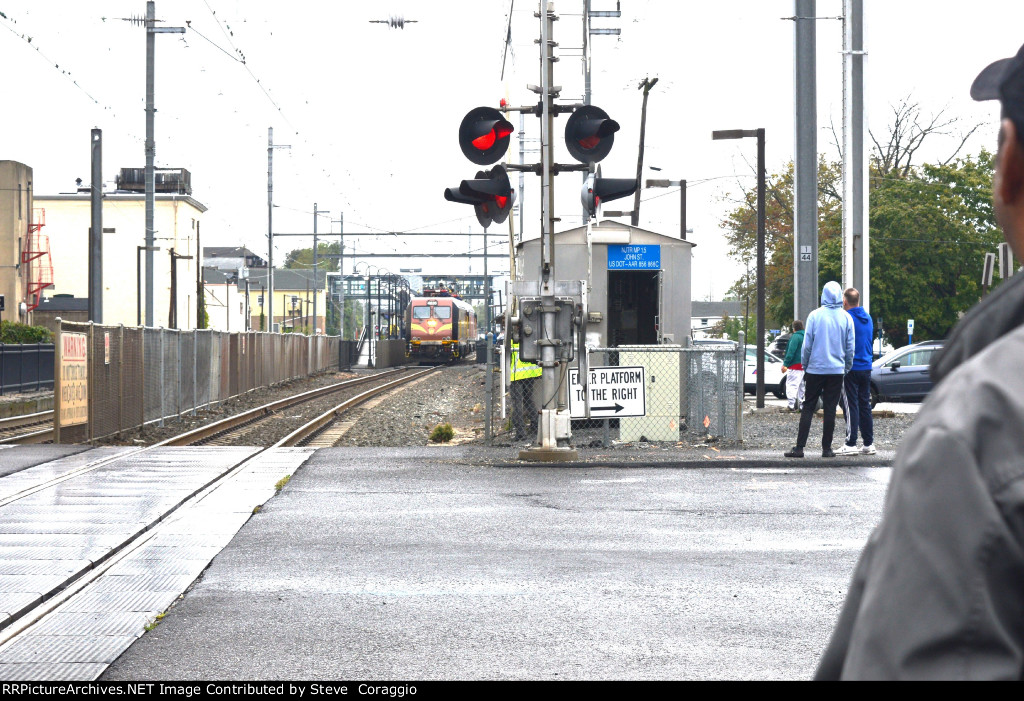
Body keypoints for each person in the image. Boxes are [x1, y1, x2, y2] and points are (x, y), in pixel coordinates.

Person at [815, 42, 1024, 680]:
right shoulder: (857, 320)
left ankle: (838, 443)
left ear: (1010, 161)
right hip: (848, 370)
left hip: (835, 373)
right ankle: (846, 441)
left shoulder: (982, 424)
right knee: (849, 411)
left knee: (834, 413)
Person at [784, 281, 854, 458]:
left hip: (815, 369)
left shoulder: (814, 316)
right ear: (840, 295)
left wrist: (806, 365)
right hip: (836, 370)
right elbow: (850, 347)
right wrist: (846, 367)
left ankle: (800, 447)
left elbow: (807, 346)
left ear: (823, 294)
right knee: (830, 408)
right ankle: (827, 448)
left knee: (808, 406)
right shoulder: (846, 318)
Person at [836, 288, 876, 456]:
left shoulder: (847, 318)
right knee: (864, 405)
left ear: (845, 302)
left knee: (850, 404)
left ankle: (851, 442)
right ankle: (868, 443)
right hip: (866, 367)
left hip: (851, 367)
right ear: (858, 301)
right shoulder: (868, 318)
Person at [509, 340, 540, 440]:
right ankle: (536, 426)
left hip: (516, 373)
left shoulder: (513, 337)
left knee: (517, 402)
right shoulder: (532, 335)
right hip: (530, 372)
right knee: (528, 400)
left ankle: (520, 432)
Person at [782, 320, 806, 411]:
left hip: (794, 365)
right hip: (804, 365)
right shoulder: (806, 336)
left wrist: (785, 364)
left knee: (791, 385)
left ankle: (791, 405)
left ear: (794, 328)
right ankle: (801, 405)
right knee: (801, 386)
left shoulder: (795, 337)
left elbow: (791, 351)